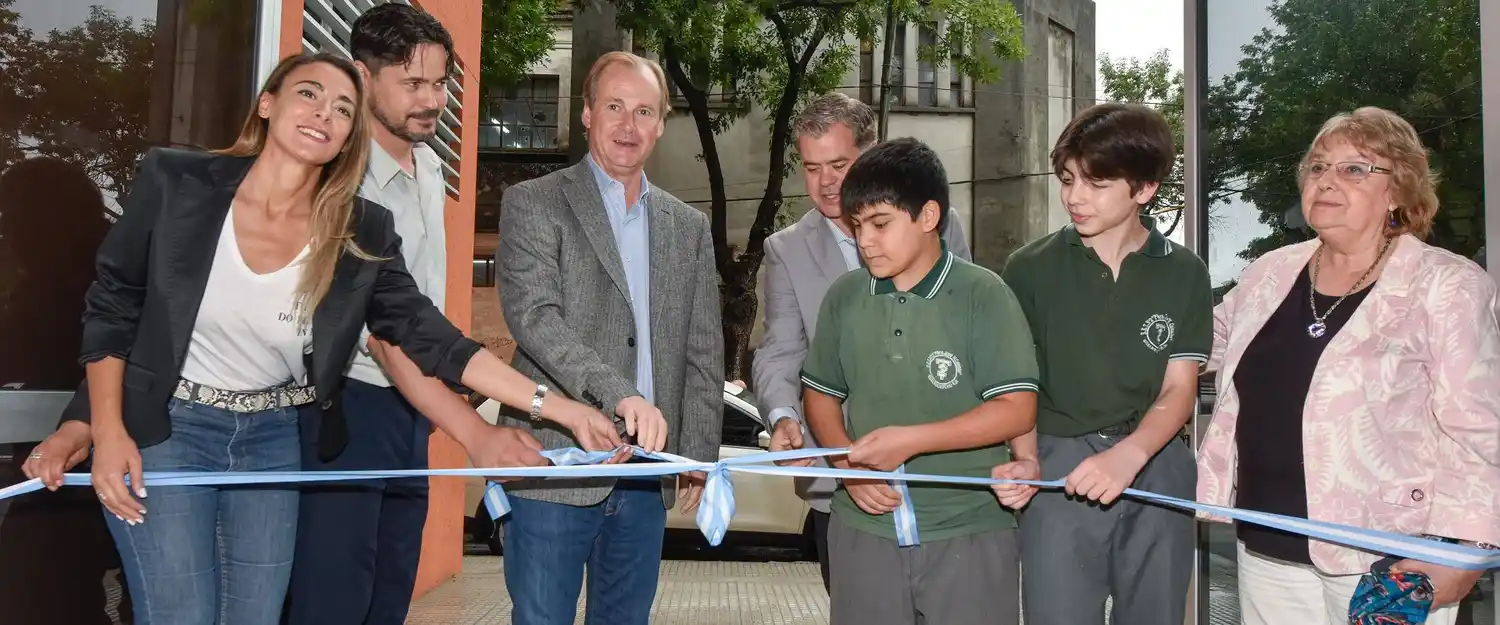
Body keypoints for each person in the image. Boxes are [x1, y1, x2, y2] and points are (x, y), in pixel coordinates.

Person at [50, 52, 616, 625]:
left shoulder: (359, 228)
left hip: (272, 440)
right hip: (169, 430)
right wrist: (106, 427)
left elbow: (430, 337)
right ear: (267, 103)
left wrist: (559, 409)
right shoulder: (177, 181)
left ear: (350, 135)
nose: (325, 113)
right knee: (182, 615)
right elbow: (116, 305)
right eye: (309, 94)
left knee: (254, 616)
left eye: (343, 108)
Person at [282, 6, 551, 625]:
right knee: (332, 601)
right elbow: (386, 335)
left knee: (390, 596)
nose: (431, 100)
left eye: (440, 83)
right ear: (362, 76)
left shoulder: (430, 167)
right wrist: (474, 430)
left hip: (413, 413)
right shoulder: (337, 181)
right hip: (344, 413)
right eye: (413, 84)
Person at [1197, 106, 1500, 625]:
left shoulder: (1446, 285)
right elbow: (1197, 347)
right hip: (1267, 545)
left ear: (1399, 192)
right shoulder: (1270, 274)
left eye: (1354, 168)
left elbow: (1479, 428)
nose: (1327, 180)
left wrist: (1467, 544)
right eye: (1317, 167)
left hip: (1389, 558)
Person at [491, 50, 723, 625]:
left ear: (661, 124)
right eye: (614, 106)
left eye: (644, 111)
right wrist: (621, 393)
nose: (628, 125)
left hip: (646, 474)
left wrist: (697, 453)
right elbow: (536, 318)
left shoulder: (687, 227)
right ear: (587, 115)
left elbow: (703, 350)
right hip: (552, 467)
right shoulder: (534, 202)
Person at [799, 137, 1037, 625]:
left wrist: (910, 442)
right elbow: (820, 393)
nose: (865, 240)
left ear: (929, 217)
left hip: (969, 529)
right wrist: (848, 464)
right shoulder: (844, 297)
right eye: (857, 225)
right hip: (863, 529)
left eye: (881, 224)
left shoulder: (984, 294)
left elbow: (1016, 408)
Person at [988, 101, 1209, 625]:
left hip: (1157, 462)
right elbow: (1016, 385)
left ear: (1145, 189)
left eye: (1096, 182)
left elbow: (1179, 388)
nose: (1074, 197)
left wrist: (1131, 454)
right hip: (1058, 462)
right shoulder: (1028, 268)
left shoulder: (1184, 272)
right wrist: (1027, 460)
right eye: (1067, 180)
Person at [750, 91, 971, 591]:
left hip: (942, 473)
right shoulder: (785, 250)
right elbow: (781, 349)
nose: (826, 182)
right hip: (842, 482)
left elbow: (965, 333)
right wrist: (784, 416)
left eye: (838, 164)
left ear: (871, 154)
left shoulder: (939, 223)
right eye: (811, 168)